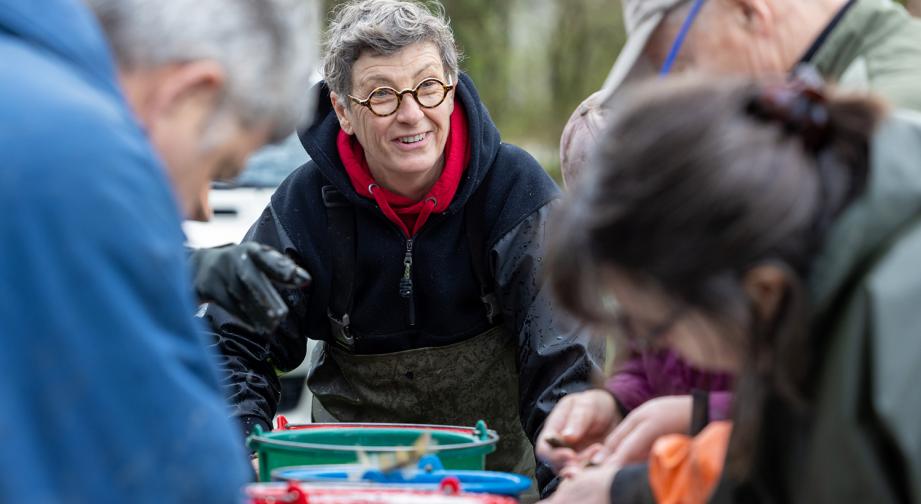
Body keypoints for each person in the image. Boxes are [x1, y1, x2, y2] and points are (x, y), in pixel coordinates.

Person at [207, 0, 599, 495]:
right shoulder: (304, 206)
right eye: (382, 95)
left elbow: (567, 365)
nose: (412, 114)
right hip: (340, 488)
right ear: (344, 111)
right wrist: (238, 468)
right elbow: (235, 342)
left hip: (492, 483)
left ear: (452, 88)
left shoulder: (516, 195)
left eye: (428, 87)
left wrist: (569, 486)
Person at [542, 75, 921, 502]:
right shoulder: (809, 295)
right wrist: (618, 490)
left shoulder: (896, 328)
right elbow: (774, 475)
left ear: (762, 292)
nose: (658, 348)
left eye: (657, 325)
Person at [0, 0, 316, 500]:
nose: (204, 210)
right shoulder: (80, 155)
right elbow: (171, 462)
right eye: (219, 167)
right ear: (189, 94)